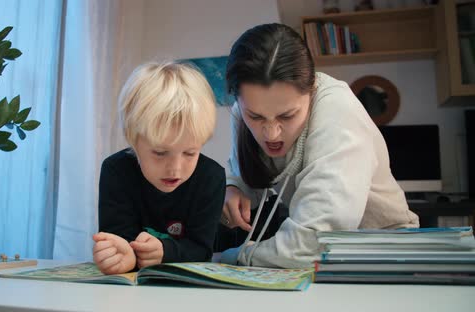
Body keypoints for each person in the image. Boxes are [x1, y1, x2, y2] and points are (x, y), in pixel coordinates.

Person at [218, 23, 419, 268]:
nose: (271, 134)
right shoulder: (243, 108)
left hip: (383, 253)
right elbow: (246, 176)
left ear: (311, 90)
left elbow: (312, 243)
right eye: (256, 117)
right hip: (321, 260)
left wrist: (237, 256)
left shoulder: (339, 113)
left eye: (287, 116)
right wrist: (234, 186)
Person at [93, 61, 226, 275]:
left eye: (190, 153)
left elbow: (202, 250)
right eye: (160, 153)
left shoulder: (211, 177)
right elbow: (116, 238)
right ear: (134, 141)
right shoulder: (116, 171)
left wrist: (165, 252)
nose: (175, 169)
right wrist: (118, 256)